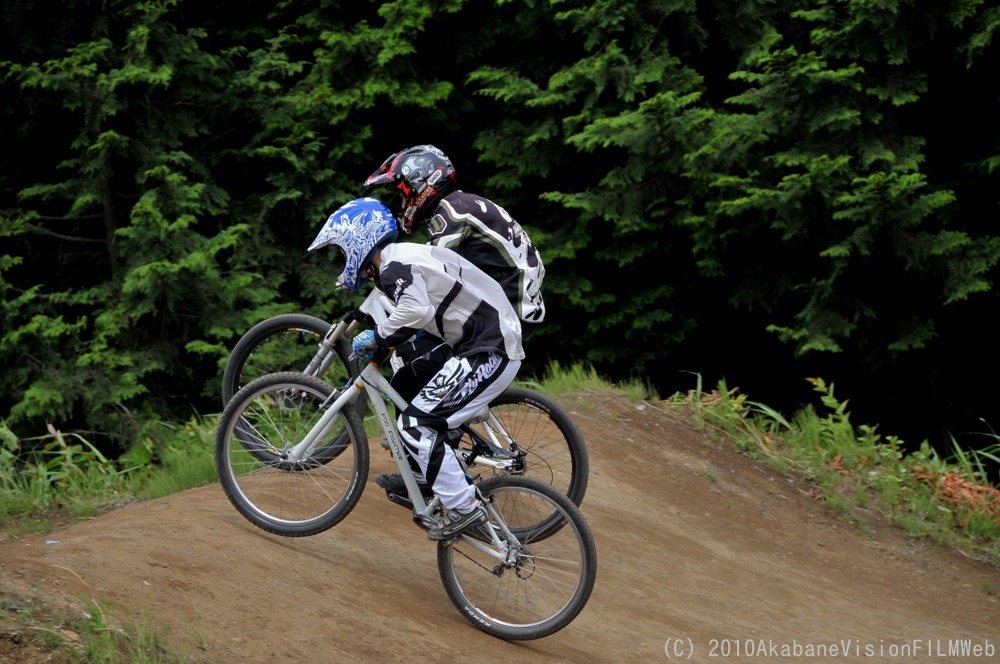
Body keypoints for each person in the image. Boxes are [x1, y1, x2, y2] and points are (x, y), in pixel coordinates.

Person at [308, 197, 524, 541]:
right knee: (407, 382)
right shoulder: (400, 259)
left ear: (358, 243)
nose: (342, 260)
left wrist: (379, 335)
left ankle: (464, 508)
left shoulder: (394, 267)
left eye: (342, 250)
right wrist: (386, 339)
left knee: (416, 425)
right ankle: (429, 477)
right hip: (479, 342)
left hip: (489, 349)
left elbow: (416, 311)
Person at [364, 144, 546, 326]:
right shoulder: (461, 203)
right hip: (517, 300)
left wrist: (383, 272)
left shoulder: (452, 212)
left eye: (402, 195)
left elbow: (432, 274)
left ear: (418, 182)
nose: (403, 204)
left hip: (509, 308)